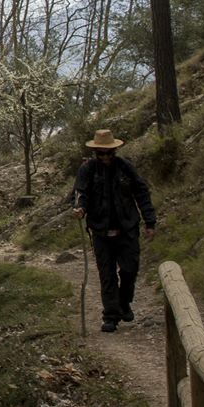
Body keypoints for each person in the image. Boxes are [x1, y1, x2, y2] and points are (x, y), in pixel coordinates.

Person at [73, 129, 156, 334]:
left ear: (115, 151)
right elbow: (79, 192)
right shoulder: (87, 169)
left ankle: (124, 303)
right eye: (101, 153)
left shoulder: (125, 168)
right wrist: (80, 207)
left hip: (127, 228)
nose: (105, 157)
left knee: (130, 270)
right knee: (107, 274)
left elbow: (141, 192)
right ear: (96, 153)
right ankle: (110, 316)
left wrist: (149, 222)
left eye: (109, 153)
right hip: (100, 231)